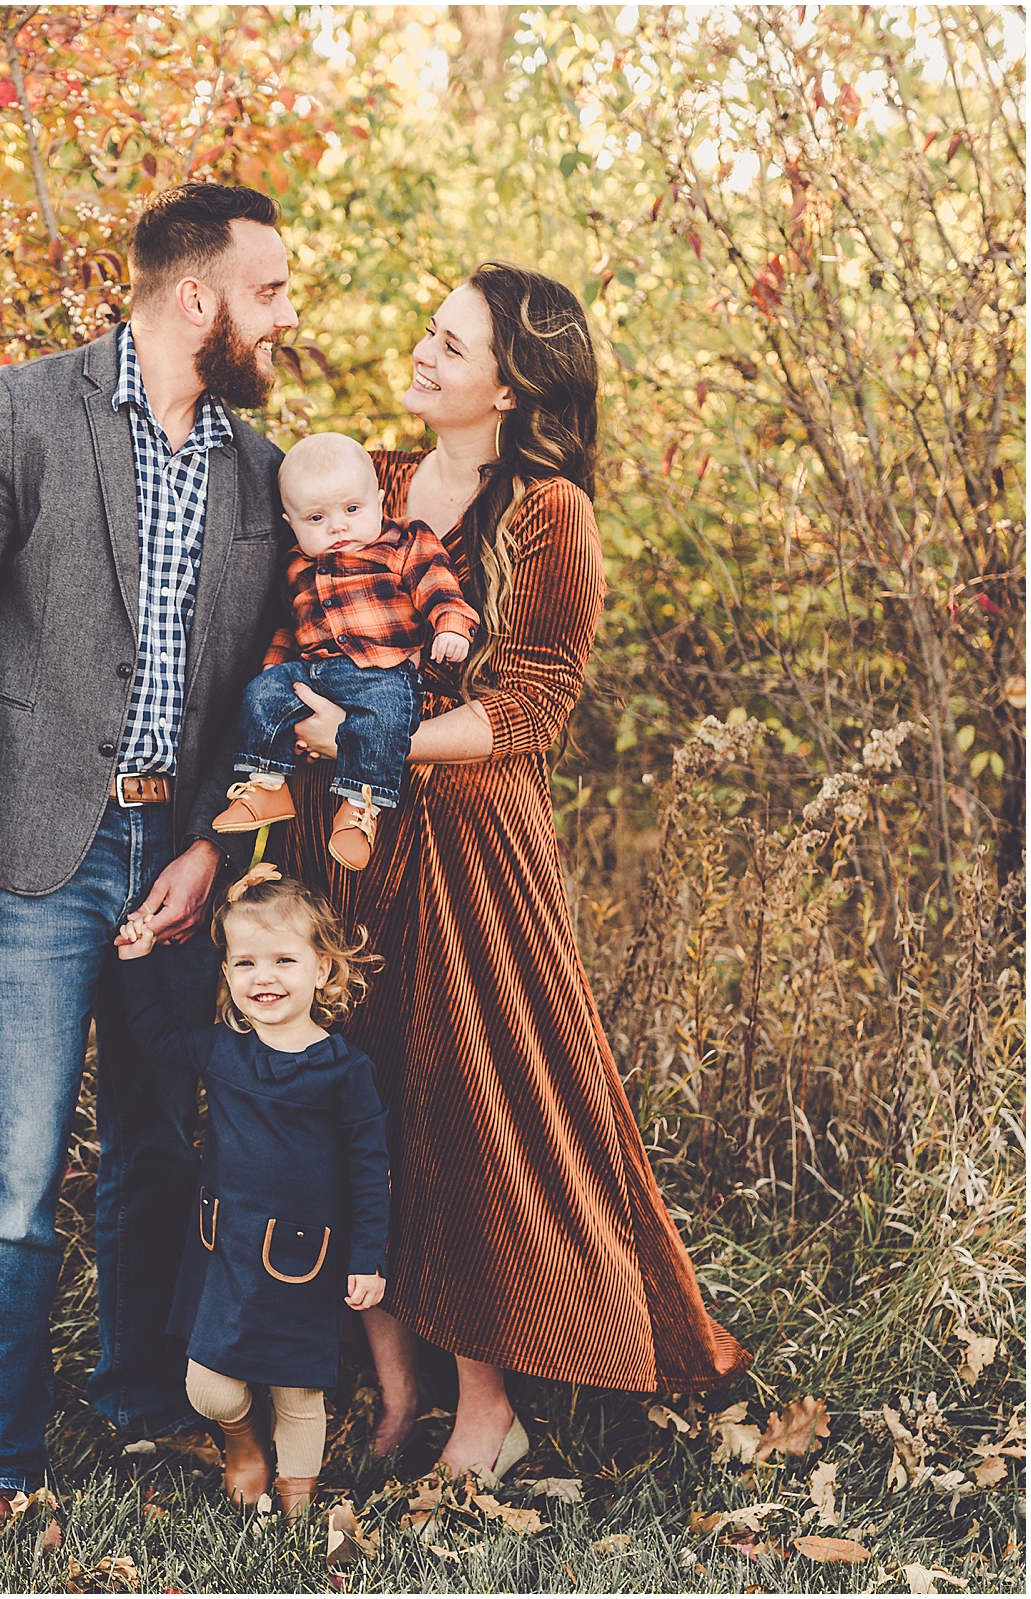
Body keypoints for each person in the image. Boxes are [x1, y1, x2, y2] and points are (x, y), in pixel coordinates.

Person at [276, 262, 751, 1481]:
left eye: (452, 344)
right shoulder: (368, 483)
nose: (424, 354)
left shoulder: (546, 514)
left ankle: (490, 1409)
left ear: (509, 385)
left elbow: (529, 708)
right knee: (355, 1097)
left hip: (468, 847)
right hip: (345, 839)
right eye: (427, 330)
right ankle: (391, 1398)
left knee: (465, 1113)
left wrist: (362, 739)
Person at [0, 182, 298, 1511]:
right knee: (15, 1172)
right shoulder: (12, 412)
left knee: (162, 1151)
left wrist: (214, 852)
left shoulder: (263, 469)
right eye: (272, 289)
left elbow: (263, 688)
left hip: (175, 860)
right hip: (27, 855)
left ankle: (138, 1400)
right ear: (200, 298)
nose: (288, 315)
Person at [114, 865, 390, 1516]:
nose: (263, 977)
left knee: (298, 1391)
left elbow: (369, 1168)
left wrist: (368, 1257)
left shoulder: (344, 1070)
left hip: (305, 1258)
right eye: (245, 962)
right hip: (224, 1254)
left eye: (284, 959)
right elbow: (152, 1035)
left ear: (322, 968)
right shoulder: (222, 1050)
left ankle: (297, 1500)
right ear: (229, 972)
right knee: (208, 1382)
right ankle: (243, 1443)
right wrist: (134, 960)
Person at [209, 434, 479, 871]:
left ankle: (360, 807)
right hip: (314, 670)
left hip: (384, 670)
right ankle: (265, 782)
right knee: (259, 695)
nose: (337, 527)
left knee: (383, 719)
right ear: (290, 522)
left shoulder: (402, 540)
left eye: (352, 510)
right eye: (316, 517)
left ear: (379, 500)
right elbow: (289, 625)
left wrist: (451, 625)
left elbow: (437, 584)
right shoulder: (297, 564)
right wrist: (273, 674)